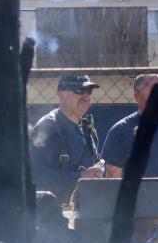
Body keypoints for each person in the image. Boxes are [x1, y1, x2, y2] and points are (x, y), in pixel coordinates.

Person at [29, 73, 104, 203]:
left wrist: (99, 168)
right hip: (54, 212)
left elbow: (94, 161)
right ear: (61, 94)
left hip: (85, 208)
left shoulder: (88, 127)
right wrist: (79, 177)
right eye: (79, 90)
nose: (86, 96)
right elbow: (34, 174)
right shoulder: (48, 127)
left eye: (89, 91)